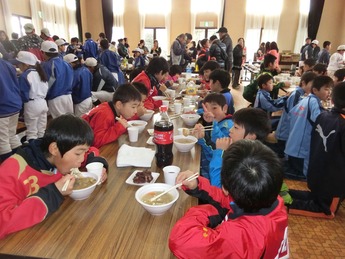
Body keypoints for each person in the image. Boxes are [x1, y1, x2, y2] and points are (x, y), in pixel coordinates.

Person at [169, 140, 288, 259]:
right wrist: (198, 185)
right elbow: (229, 200)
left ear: (225, 188)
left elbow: (180, 240)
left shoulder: (240, 236)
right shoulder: (270, 199)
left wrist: (204, 210)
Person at [0, 114, 108, 239]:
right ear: (54, 149)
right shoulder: (13, 170)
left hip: (56, 231)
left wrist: (96, 163)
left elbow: (91, 150)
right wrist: (54, 192)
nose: (82, 158)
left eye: (84, 152)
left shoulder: (61, 154)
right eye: (79, 153)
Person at [288, 82, 345, 219]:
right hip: (331, 184)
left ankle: (276, 194)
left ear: (332, 99)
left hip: (316, 176)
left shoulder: (324, 116)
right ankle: (277, 203)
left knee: (314, 197)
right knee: (326, 210)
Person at [284, 76, 333, 179]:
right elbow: (319, 121)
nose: (329, 92)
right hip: (301, 150)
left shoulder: (307, 99)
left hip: (293, 146)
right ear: (315, 90)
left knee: (294, 169)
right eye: (326, 89)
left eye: (330, 89)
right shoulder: (313, 102)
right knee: (303, 176)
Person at [208, 107, 271, 188]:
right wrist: (201, 140)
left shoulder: (247, 164)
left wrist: (220, 152)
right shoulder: (240, 148)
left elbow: (218, 188)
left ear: (251, 137)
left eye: (236, 127)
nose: (230, 130)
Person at [82, 84, 142, 148]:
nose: (135, 111)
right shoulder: (105, 114)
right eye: (133, 107)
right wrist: (118, 128)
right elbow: (96, 142)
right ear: (119, 105)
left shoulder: (114, 110)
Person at [275, 72, 317, 158]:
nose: (314, 88)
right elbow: (294, 116)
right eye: (312, 84)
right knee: (282, 157)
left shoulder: (300, 94)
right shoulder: (296, 95)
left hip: (289, 132)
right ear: (304, 83)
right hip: (285, 132)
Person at [192, 93, 233, 179]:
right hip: (207, 162)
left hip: (212, 172)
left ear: (225, 108)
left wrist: (213, 122)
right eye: (207, 109)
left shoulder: (228, 126)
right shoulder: (218, 121)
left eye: (214, 108)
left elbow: (218, 142)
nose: (210, 112)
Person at [16, 51, 49, 142]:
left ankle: (33, 151)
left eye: (19, 63)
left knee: (32, 132)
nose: (18, 66)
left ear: (26, 64)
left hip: (32, 104)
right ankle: (42, 150)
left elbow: (24, 95)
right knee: (41, 130)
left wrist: (21, 110)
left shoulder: (25, 76)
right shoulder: (40, 73)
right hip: (43, 103)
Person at [41, 41, 74, 118]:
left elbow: (48, 84)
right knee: (70, 120)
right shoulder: (66, 63)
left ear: (44, 52)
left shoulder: (48, 65)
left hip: (55, 98)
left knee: (59, 123)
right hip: (68, 96)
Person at [0, 58, 22, 162]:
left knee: (2, 141)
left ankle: (9, 170)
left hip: (2, 108)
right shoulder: (7, 64)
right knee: (12, 136)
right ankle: (20, 164)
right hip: (14, 104)